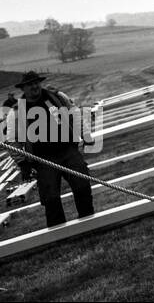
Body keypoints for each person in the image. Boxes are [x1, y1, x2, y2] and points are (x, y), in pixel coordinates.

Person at [1, 72, 94, 228]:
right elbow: (12, 140)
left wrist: (86, 135)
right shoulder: (17, 111)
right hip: (42, 159)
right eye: (30, 85)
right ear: (23, 88)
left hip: (68, 151)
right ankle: (58, 233)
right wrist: (23, 163)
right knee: (50, 198)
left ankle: (89, 223)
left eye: (36, 83)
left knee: (82, 186)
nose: (34, 87)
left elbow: (75, 114)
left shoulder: (56, 97)